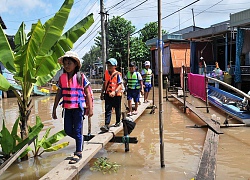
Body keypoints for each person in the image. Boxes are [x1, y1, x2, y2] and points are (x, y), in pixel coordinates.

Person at [52, 51, 93, 164]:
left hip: (78, 108)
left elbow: (88, 93)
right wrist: (54, 109)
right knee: (68, 130)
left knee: (78, 130)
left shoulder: (81, 77)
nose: (66, 66)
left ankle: (78, 152)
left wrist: (90, 108)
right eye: (65, 63)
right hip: (67, 109)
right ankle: (80, 139)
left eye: (69, 63)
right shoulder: (62, 78)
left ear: (75, 64)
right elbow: (58, 94)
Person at [100, 58, 123, 132]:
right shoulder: (106, 73)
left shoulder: (117, 74)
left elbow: (120, 85)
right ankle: (106, 125)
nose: (109, 66)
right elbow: (104, 84)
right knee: (108, 109)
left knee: (117, 108)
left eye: (111, 65)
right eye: (108, 65)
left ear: (115, 66)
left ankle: (118, 122)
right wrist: (102, 93)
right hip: (107, 94)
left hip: (116, 95)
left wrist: (115, 92)